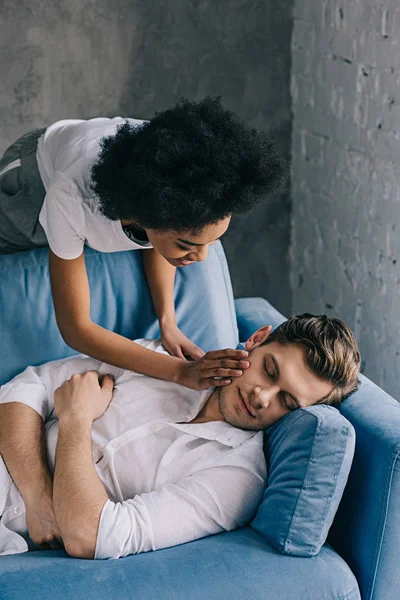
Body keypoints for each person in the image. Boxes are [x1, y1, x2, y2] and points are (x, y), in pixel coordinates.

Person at [0, 314, 360, 559]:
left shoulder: (236, 480)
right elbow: (26, 388)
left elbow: (93, 537)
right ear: (258, 339)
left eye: (287, 401)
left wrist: (76, 418)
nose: (262, 397)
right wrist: (38, 497)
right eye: (269, 370)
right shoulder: (162, 359)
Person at [0, 97, 286, 390]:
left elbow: (155, 240)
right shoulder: (73, 197)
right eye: (187, 243)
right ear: (146, 215)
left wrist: (168, 323)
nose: (201, 257)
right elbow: (76, 328)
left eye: (212, 242)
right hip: (31, 184)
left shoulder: (176, 185)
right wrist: (179, 371)